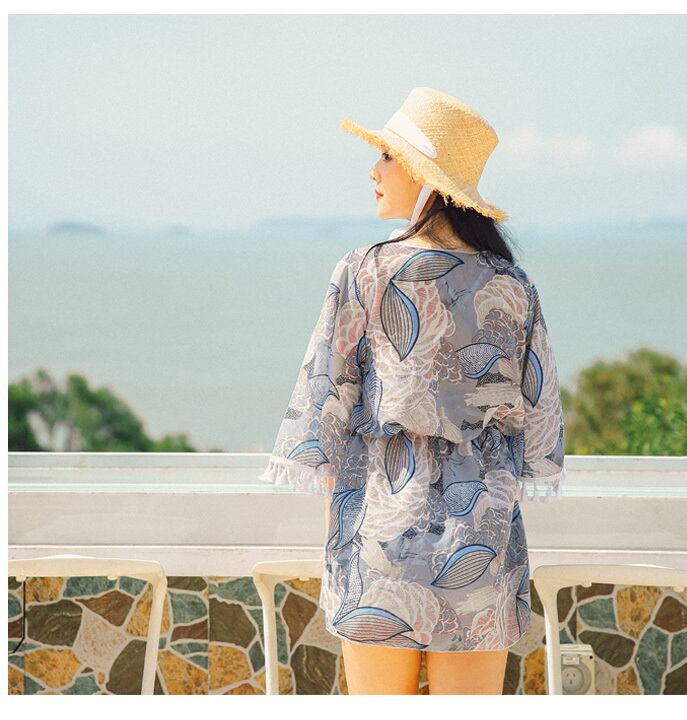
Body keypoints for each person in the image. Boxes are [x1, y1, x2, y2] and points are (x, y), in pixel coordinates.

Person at [259, 87, 566, 694]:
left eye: (387, 156)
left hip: (380, 532)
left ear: (426, 176)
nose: (373, 171)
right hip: (481, 540)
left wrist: (343, 537)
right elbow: (533, 421)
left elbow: (325, 406)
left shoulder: (365, 270)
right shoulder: (513, 284)